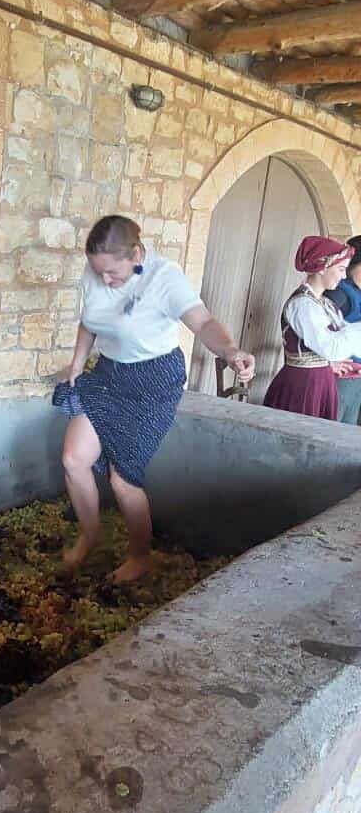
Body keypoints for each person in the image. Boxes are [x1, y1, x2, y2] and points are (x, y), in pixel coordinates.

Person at [53, 215, 255, 585]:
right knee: (73, 458)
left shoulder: (165, 278)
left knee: (123, 478)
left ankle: (140, 557)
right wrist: (77, 366)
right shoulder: (98, 270)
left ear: (135, 254)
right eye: (98, 272)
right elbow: (89, 322)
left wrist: (230, 350)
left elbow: (203, 322)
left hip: (154, 382)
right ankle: (90, 534)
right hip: (109, 374)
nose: (104, 280)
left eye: (113, 273)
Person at [264, 235, 361, 423]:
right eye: (341, 269)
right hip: (304, 382)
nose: (343, 276)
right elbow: (330, 347)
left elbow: (338, 340)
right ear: (322, 267)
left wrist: (331, 363)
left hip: (320, 379)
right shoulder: (303, 305)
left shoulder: (323, 303)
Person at [324, 237, 361, 426]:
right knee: (329, 429)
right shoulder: (340, 293)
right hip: (340, 377)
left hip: (356, 378)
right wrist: (327, 362)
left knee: (346, 431)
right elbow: (315, 329)